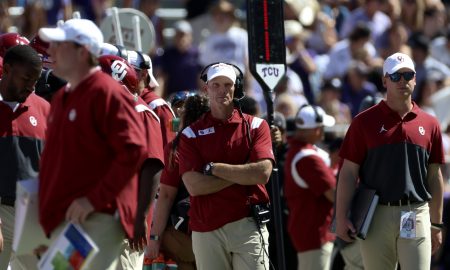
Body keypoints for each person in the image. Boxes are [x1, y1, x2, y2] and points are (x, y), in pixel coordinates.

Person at [37, 19, 148, 269]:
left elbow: (133, 150)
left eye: (59, 44)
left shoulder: (107, 92)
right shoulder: (64, 96)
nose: (50, 50)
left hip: (95, 218)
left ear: (82, 51)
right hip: (70, 220)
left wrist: (93, 200)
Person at [335, 52, 445, 270]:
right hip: (376, 216)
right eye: (395, 76)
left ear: (415, 79)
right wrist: (340, 217)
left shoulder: (430, 123)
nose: (402, 81)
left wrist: (436, 223)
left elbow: (434, 175)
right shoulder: (363, 122)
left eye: (407, 75)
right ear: (385, 80)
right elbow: (348, 173)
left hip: (416, 212)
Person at [177, 63, 274, 270]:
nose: (222, 90)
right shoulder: (190, 134)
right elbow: (195, 186)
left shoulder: (257, 125)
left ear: (236, 88)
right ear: (207, 88)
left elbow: (262, 173)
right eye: (216, 85)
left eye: (228, 84)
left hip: (247, 224)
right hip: (206, 228)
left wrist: (213, 168)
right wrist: (243, 171)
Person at [146, 93, 210, 270]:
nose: (179, 112)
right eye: (177, 107)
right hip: (221, 228)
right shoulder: (222, 140)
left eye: (183, 110)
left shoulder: (177, 146)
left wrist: (154, 238)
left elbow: (166, 195)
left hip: (187, 232)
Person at [0, 45, 49, 269]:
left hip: (32, 211)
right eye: (26, 78)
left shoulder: (44, 109)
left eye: (36, 80)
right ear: (7, 69)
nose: (31, 86)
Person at [284, 104, 337, 270]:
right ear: (315, 129)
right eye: (320, 127)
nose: (322, 132)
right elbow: (334, 195)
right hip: (314, 233)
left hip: (308, 230)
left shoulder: (298, 152)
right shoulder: (308, 159)